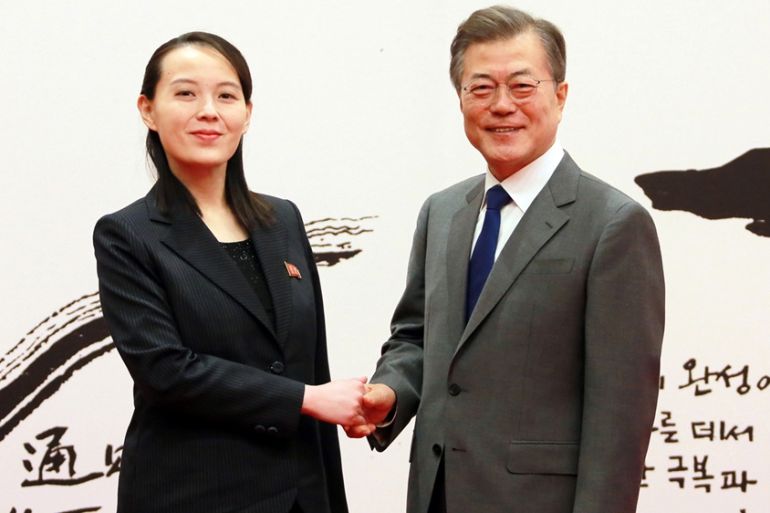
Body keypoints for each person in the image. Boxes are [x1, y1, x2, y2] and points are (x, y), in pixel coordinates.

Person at [346, 6, 665, 513]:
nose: (501, 105)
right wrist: (390, 392)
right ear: (460, 99)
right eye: (481, 88)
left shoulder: (613, 223)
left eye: (522, 86)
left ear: (560, 96)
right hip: (436, 494)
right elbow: (417, 337)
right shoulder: (442, 211)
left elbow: (619, 415)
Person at [94, 32, 369, 513]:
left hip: (302, 493)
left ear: (247, 112)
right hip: (192, 494)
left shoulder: (282, 219)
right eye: (185, 93)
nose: (209, 111)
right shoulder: (127, 234)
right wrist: (304, 398)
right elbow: (165, 371)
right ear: (147, 110)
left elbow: (309, 362)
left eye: (226, 95)